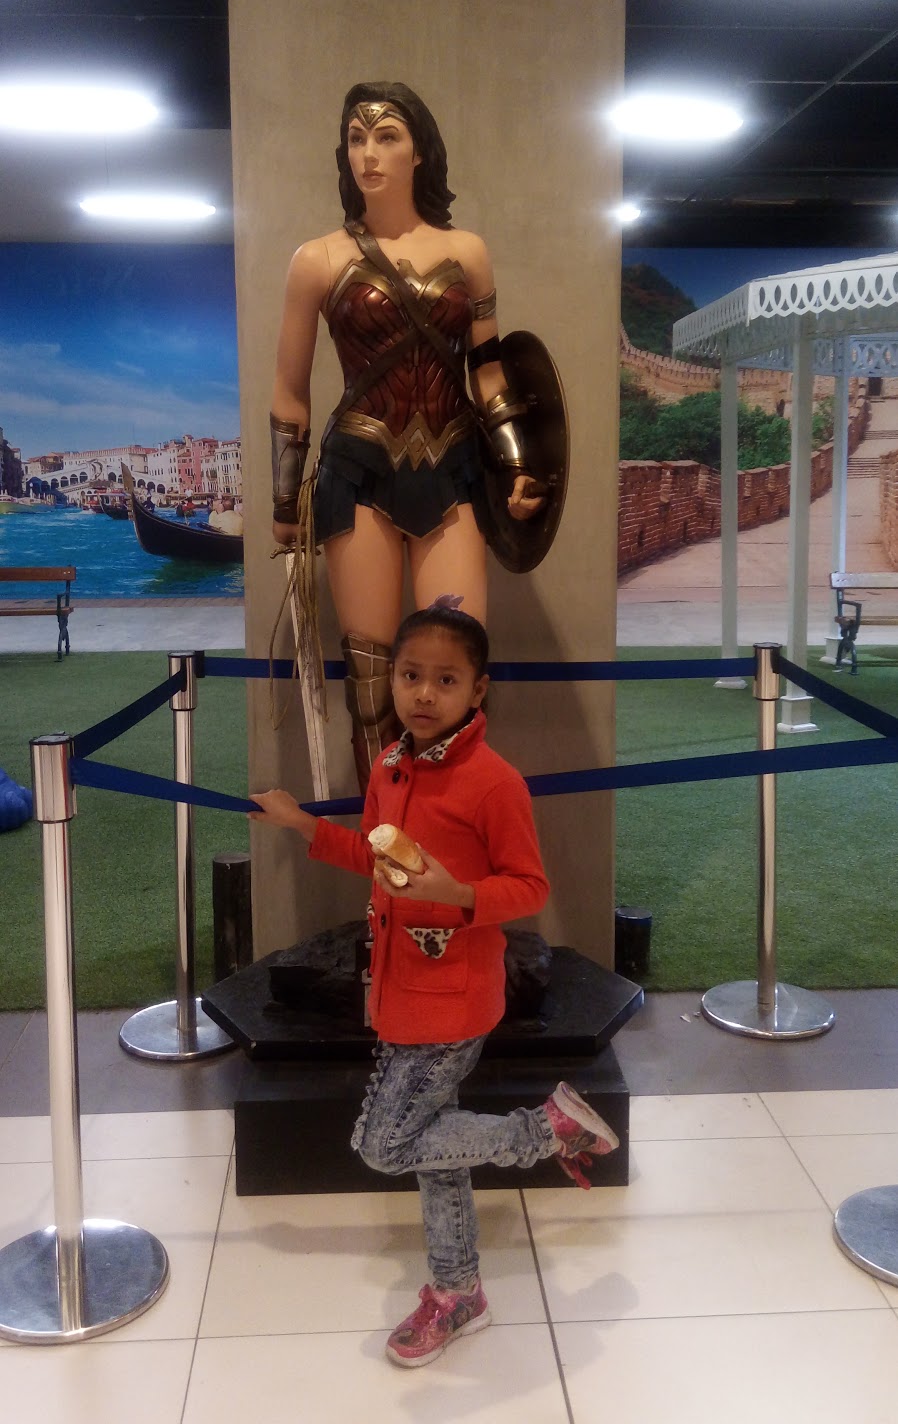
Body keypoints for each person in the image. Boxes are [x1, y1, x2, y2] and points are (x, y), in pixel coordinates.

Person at [249, 602, 619, 1369]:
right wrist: (302, 825)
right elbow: (375, 856)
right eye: (411, 675)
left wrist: (459, 894)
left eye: (445, 680)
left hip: (453, 1001)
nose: (423, 693)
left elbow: (531, 887)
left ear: (477, 690)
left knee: (384, 1145)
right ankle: (459, 1291)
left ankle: (546, 1130)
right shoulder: (391, 764)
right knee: (433, 1152)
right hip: (397, 990)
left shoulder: (494, 783)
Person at [270, 80, 546, 790]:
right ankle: (386, 840)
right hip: (358, 472)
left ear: (419, 150)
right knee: (371, 680)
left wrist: (518, 463)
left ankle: (451, 828)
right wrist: (283, 501)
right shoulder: (316, 260)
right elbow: (290, 391)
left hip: (452, 469)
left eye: (387, 136)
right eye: (356, 137)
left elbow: (489, 372)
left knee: (452, 662)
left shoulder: (468, 252)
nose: (369, 152)